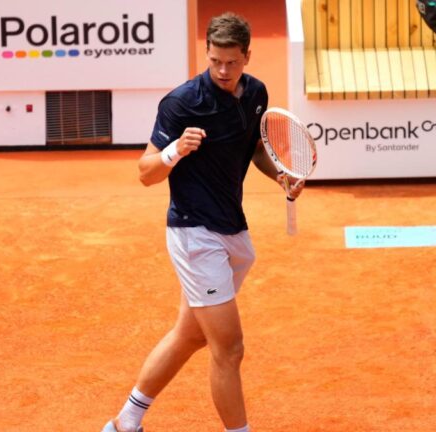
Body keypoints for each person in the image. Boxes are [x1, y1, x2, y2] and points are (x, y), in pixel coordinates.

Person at [101, 12, 303, 432]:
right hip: (194, 233)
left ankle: (125, 421)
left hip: (233, 230)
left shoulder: (256, 95)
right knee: (228, 349)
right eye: (215, 61)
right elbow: (145, 173)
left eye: (231, 62)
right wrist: (175, 151)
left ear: (247, 55)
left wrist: (280, 174)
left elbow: (255, 151)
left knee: (189, 335)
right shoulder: (181, 103)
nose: (223, 71)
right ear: (206, 55)